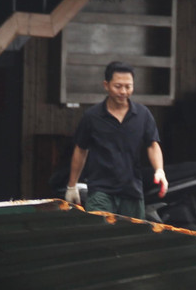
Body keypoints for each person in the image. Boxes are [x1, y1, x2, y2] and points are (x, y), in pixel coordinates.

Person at [65, 61, 168, 218]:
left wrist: (159, 170)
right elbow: (80, 150)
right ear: (106, 85)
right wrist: (72, 185)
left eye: (128, 86)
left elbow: (152, 145)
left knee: (131, 237)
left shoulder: (142, 114)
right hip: (101, 190)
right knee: (101, 235)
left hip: (132, 190)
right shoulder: (92, 116)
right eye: (118, 86)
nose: (124, 91)